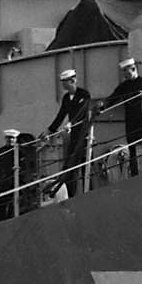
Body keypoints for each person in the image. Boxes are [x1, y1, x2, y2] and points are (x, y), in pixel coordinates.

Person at [98, 56, 142, 175]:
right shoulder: (124, 87)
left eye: (126, 71)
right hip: (131, 127)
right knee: (134, 161)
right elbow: (112, 99)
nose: (125, 75)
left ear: (133, 69)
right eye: (123, 72)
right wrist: (102, 106)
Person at [44, 69, 93, 197]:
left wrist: (71, 122)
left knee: (87, 164)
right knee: (71, 164)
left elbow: (82, 111)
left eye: (64, 81)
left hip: (84, 133)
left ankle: (91, 192)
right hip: (74, 135)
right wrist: (50, 130)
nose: (62, 84)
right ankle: (71, 194)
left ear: (72, 81)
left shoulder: (84, 94)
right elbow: (61, 114)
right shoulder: (66, 98)